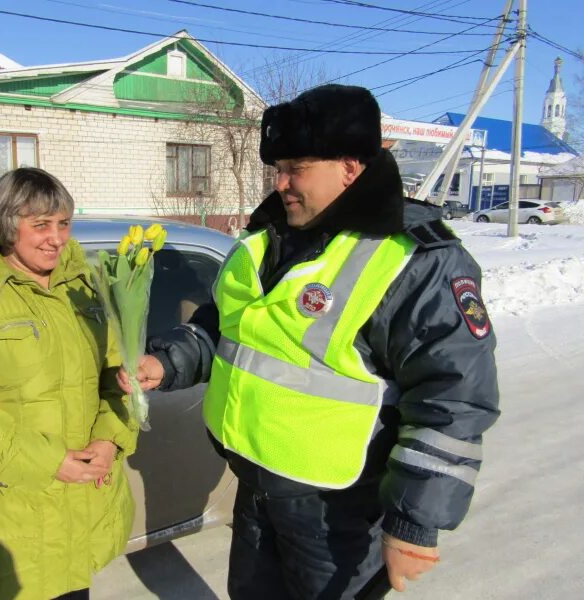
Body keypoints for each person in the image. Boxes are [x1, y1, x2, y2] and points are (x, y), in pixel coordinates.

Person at [120, 84, 499, 599]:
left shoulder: (415, 258)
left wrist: (414, 522)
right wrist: (169, 361)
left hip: (337, 512)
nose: (280, 184)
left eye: (296, 168)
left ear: (350, 166)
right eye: (277, 168)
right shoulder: (270, 237)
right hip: (256, 490)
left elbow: (453, 397)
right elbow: (231, 327)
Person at [0, 167, 138, 600]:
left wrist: (110, 439)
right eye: (41, 225)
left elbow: (116, 378)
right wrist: (46, 462)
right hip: (15, 518)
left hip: (81, 507)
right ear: (7, 225)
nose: (57, 238)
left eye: (63, 224)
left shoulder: (82, 287)